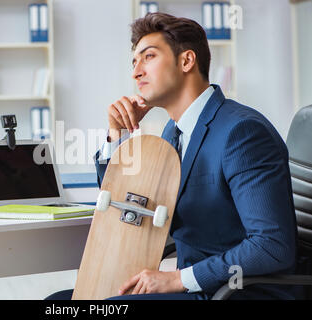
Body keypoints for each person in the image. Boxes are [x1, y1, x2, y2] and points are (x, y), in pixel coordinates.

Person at [46, 12, 298, 300]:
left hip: (236, 292)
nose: (136, 72)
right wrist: (119, 135)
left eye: (148, 57)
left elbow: (271, 246)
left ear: (187, 61)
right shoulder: (173, 131)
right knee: (59, 302)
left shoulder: (241, 132)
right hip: (198, 286)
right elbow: (126, 206)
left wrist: (178, 279)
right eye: (134, 61)